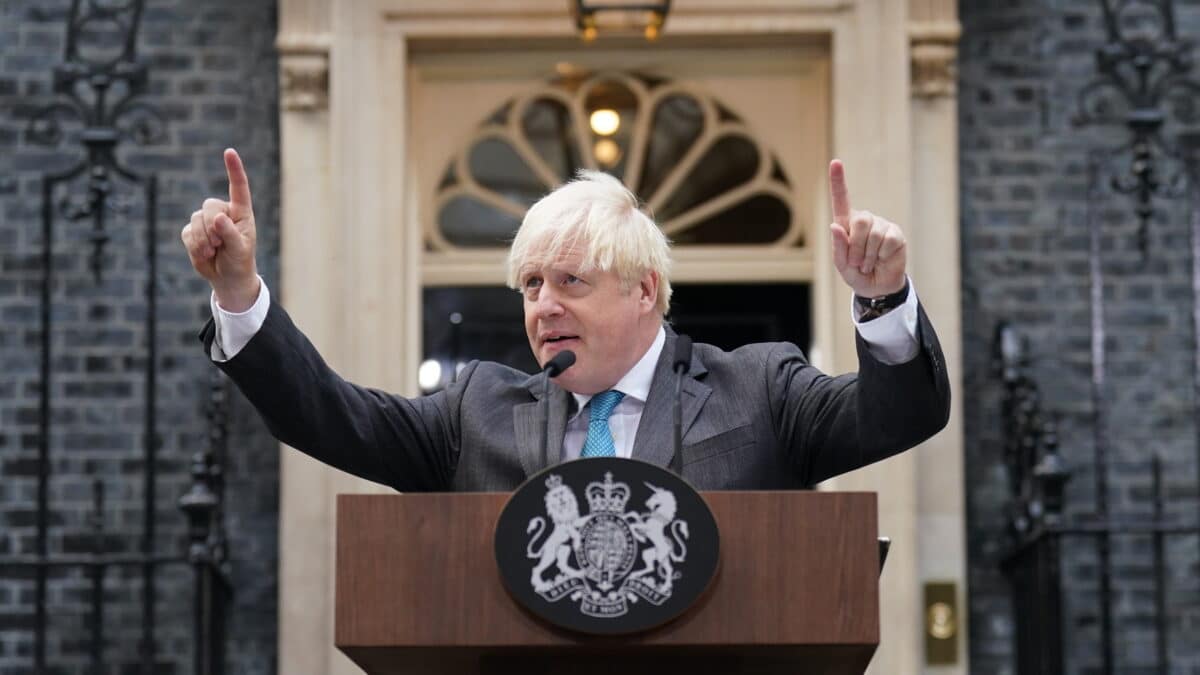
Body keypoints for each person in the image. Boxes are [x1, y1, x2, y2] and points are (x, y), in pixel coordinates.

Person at [181, 149, 949, 492]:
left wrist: (882, 303)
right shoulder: (475, 411)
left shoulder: (759, 390)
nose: (543, 305)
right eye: (530, 283)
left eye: (571, 281)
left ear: (645, 290)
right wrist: (242, 295)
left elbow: (895, 416)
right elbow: (329, 417)